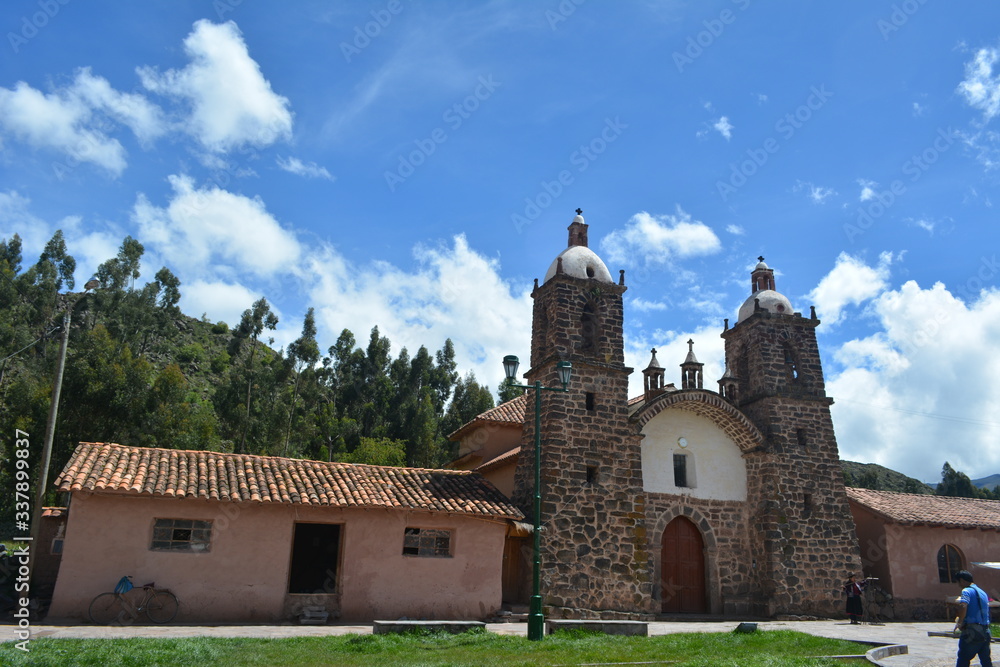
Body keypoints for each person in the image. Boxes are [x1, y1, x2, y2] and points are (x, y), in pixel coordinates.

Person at [953, 570, 992, 667]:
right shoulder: (983, 592)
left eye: (958, 582)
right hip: (985, 630)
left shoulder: (966, 591)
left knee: (963, 658)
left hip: (972, 631)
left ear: (961, 580)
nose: (958, 585)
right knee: (985, 660)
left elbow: (963, 605)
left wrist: (960, 622)